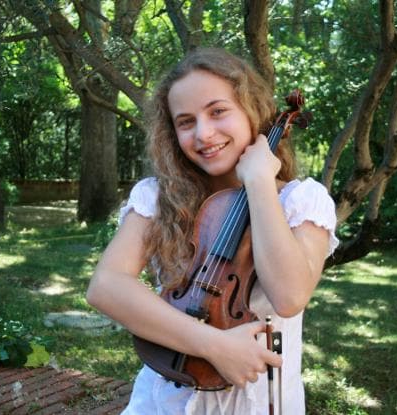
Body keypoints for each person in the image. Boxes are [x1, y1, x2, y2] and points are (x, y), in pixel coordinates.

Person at [86, 48, 339, 415]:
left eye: (218, 111)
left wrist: (258, 182)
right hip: (163, 400)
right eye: (186, 121)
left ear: (251, 110)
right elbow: (106, 287)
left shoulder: (301, 201)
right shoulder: (159, 197)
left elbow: (288, 296)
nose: (204, 133)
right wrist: (214, 345)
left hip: (256, 404)